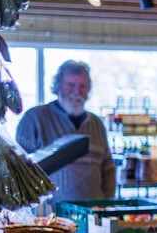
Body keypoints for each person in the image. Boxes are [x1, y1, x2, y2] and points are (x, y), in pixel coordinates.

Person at [15, 60, 116, 205]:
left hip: (93, 216)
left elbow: (108, 170)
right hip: (52, 219)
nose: (76, 92)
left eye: (82, 86)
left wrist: (106, 204)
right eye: (70, 85)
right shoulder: (35, 119)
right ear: (58, 86)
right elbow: (19, 172)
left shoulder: (96, 124)